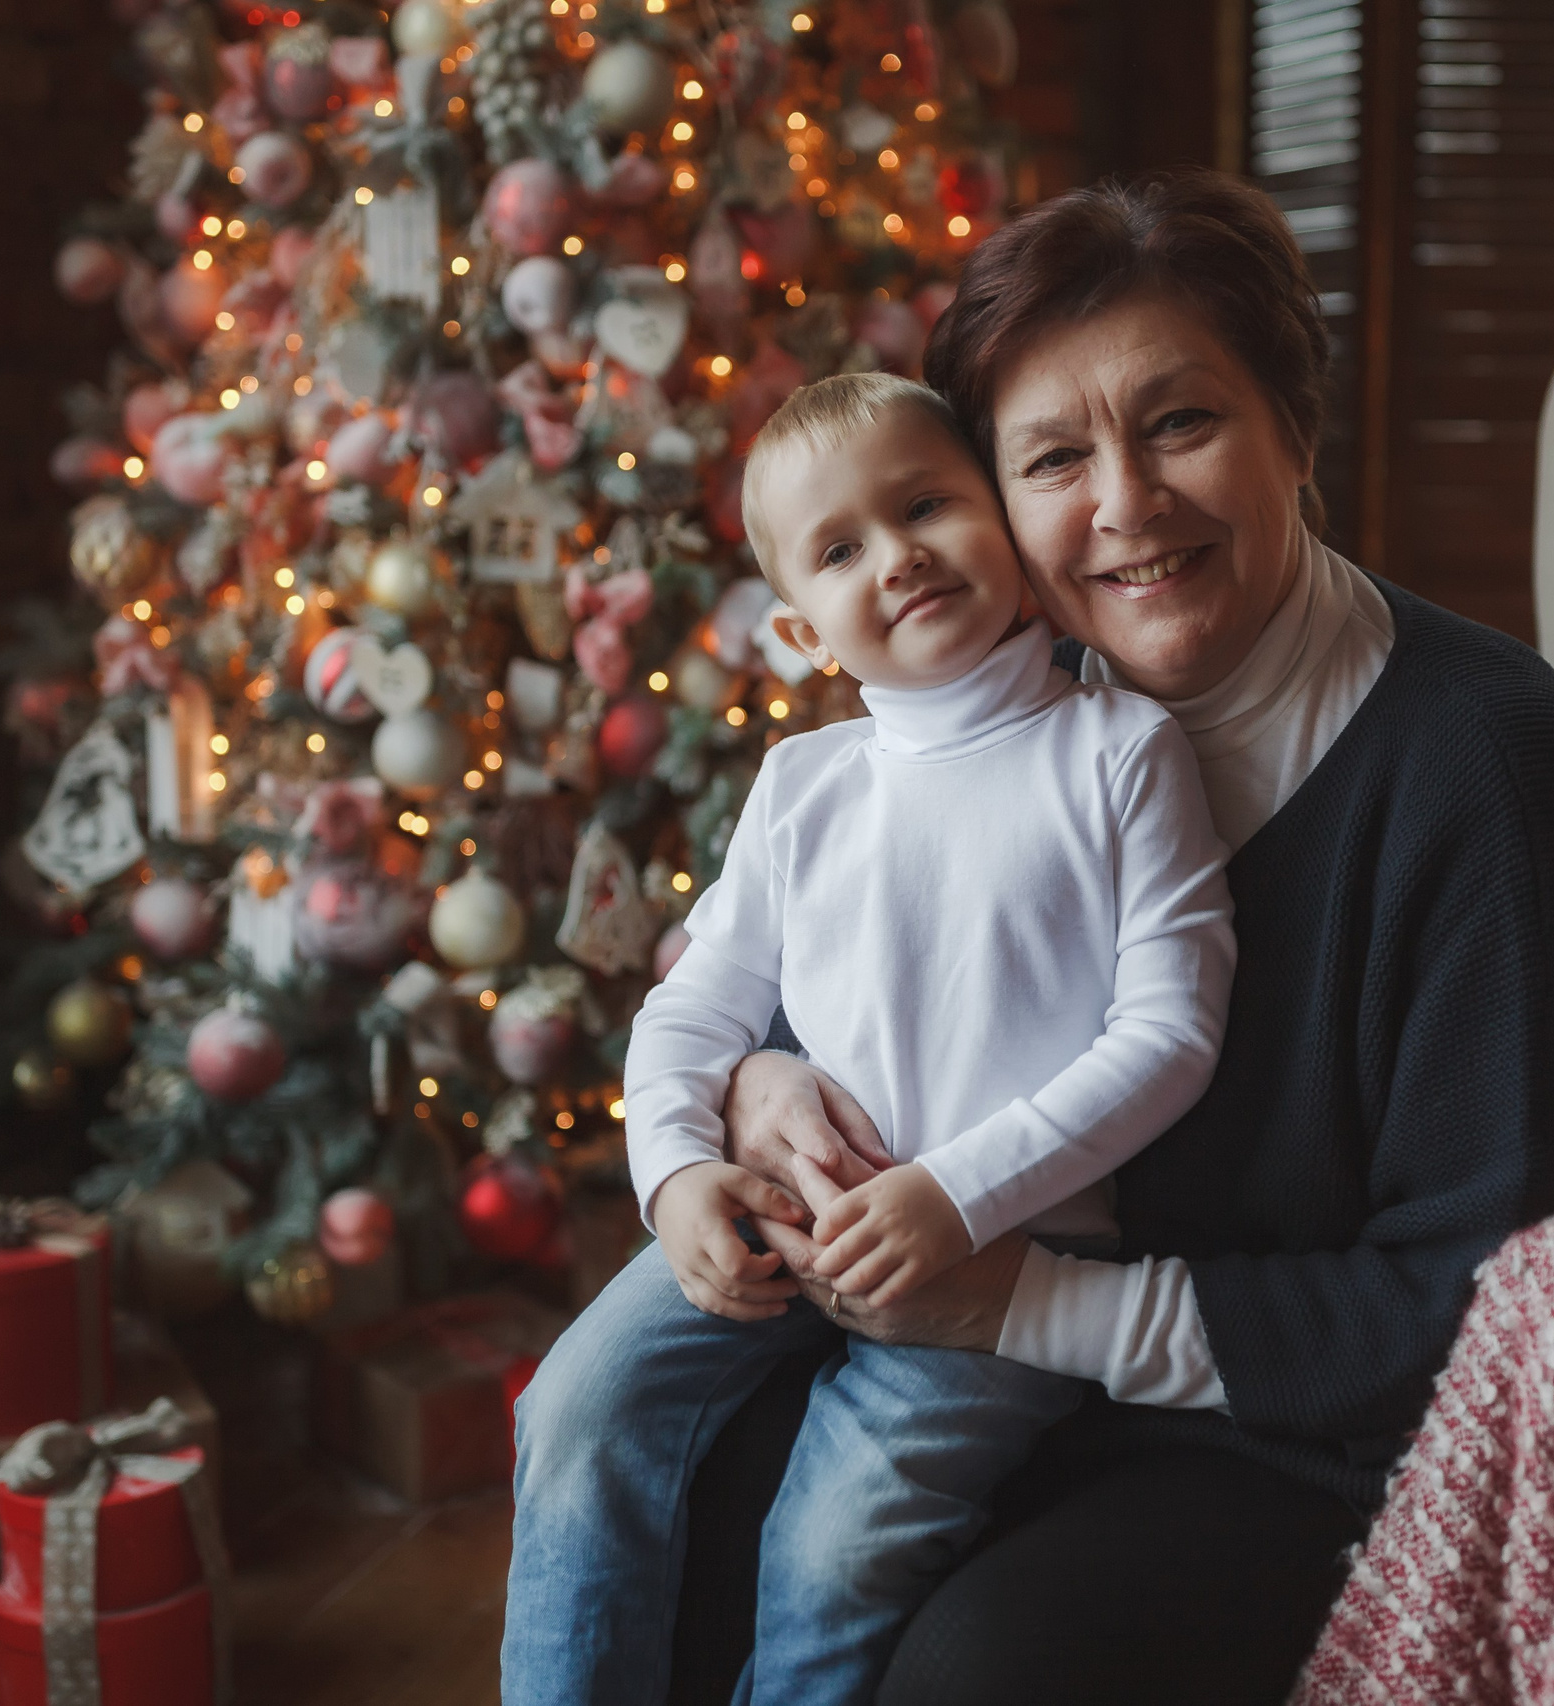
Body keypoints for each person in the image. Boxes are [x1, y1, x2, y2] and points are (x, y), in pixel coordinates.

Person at [672, 171, 1554, 1705]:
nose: (1125, 505)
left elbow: (1499, 1314)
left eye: (1183, 423)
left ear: (1294, 426)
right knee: (694, 1497)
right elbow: (874, 987)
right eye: (1053, 458)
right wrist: (757, 1074)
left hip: (1324, 1441)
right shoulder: (997, 728)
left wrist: (1024, 1302)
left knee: (981, 1673)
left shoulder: (1486, 768)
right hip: (1004, 1368)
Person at [502, 370, 1237, 1706]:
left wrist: (955, 1198)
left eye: (926, 506)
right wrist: (674, 1175)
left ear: (1006, 527)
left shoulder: (1119, 751)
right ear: (801, 623)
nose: (895, 556)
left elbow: (1172, 1031)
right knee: (575, 1406)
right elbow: (694, 1006)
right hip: (788, 1217)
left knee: (833, 1549)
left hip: (1002, 1261)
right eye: (842, 549)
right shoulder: (804, 785)